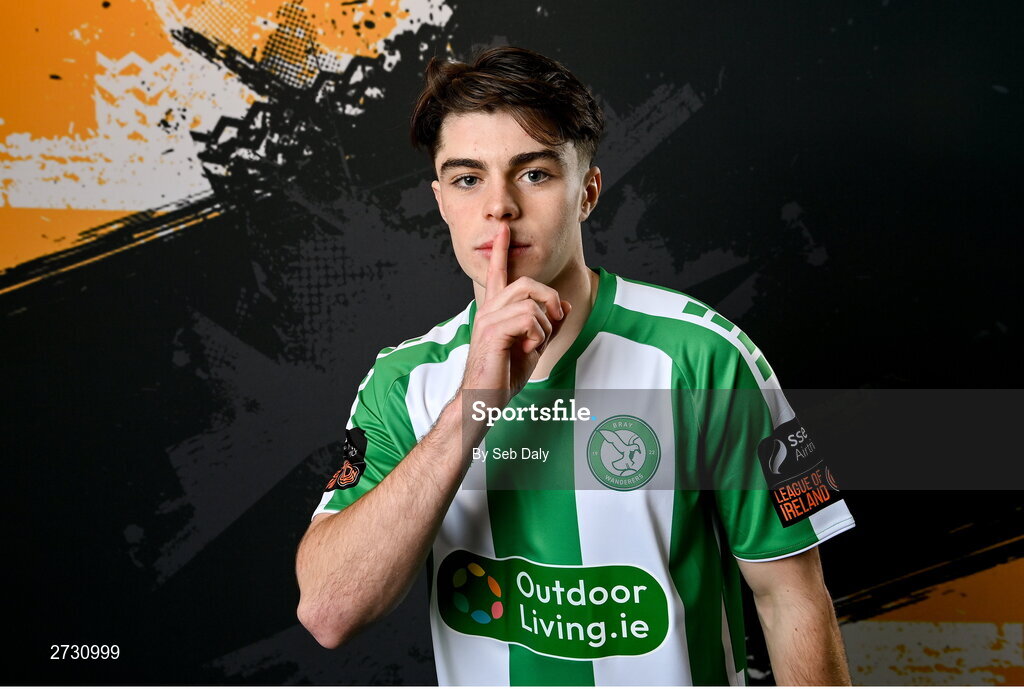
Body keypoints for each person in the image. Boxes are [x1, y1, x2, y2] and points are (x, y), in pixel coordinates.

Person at [296, 46, 856, 686]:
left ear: (587, 191)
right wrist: (472, 407)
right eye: (467, 178)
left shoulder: (708, 355)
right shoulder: (401, 382)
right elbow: (329, 610)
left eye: (533, 173)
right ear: (442, 200)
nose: (499, 206)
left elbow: (792, 598)